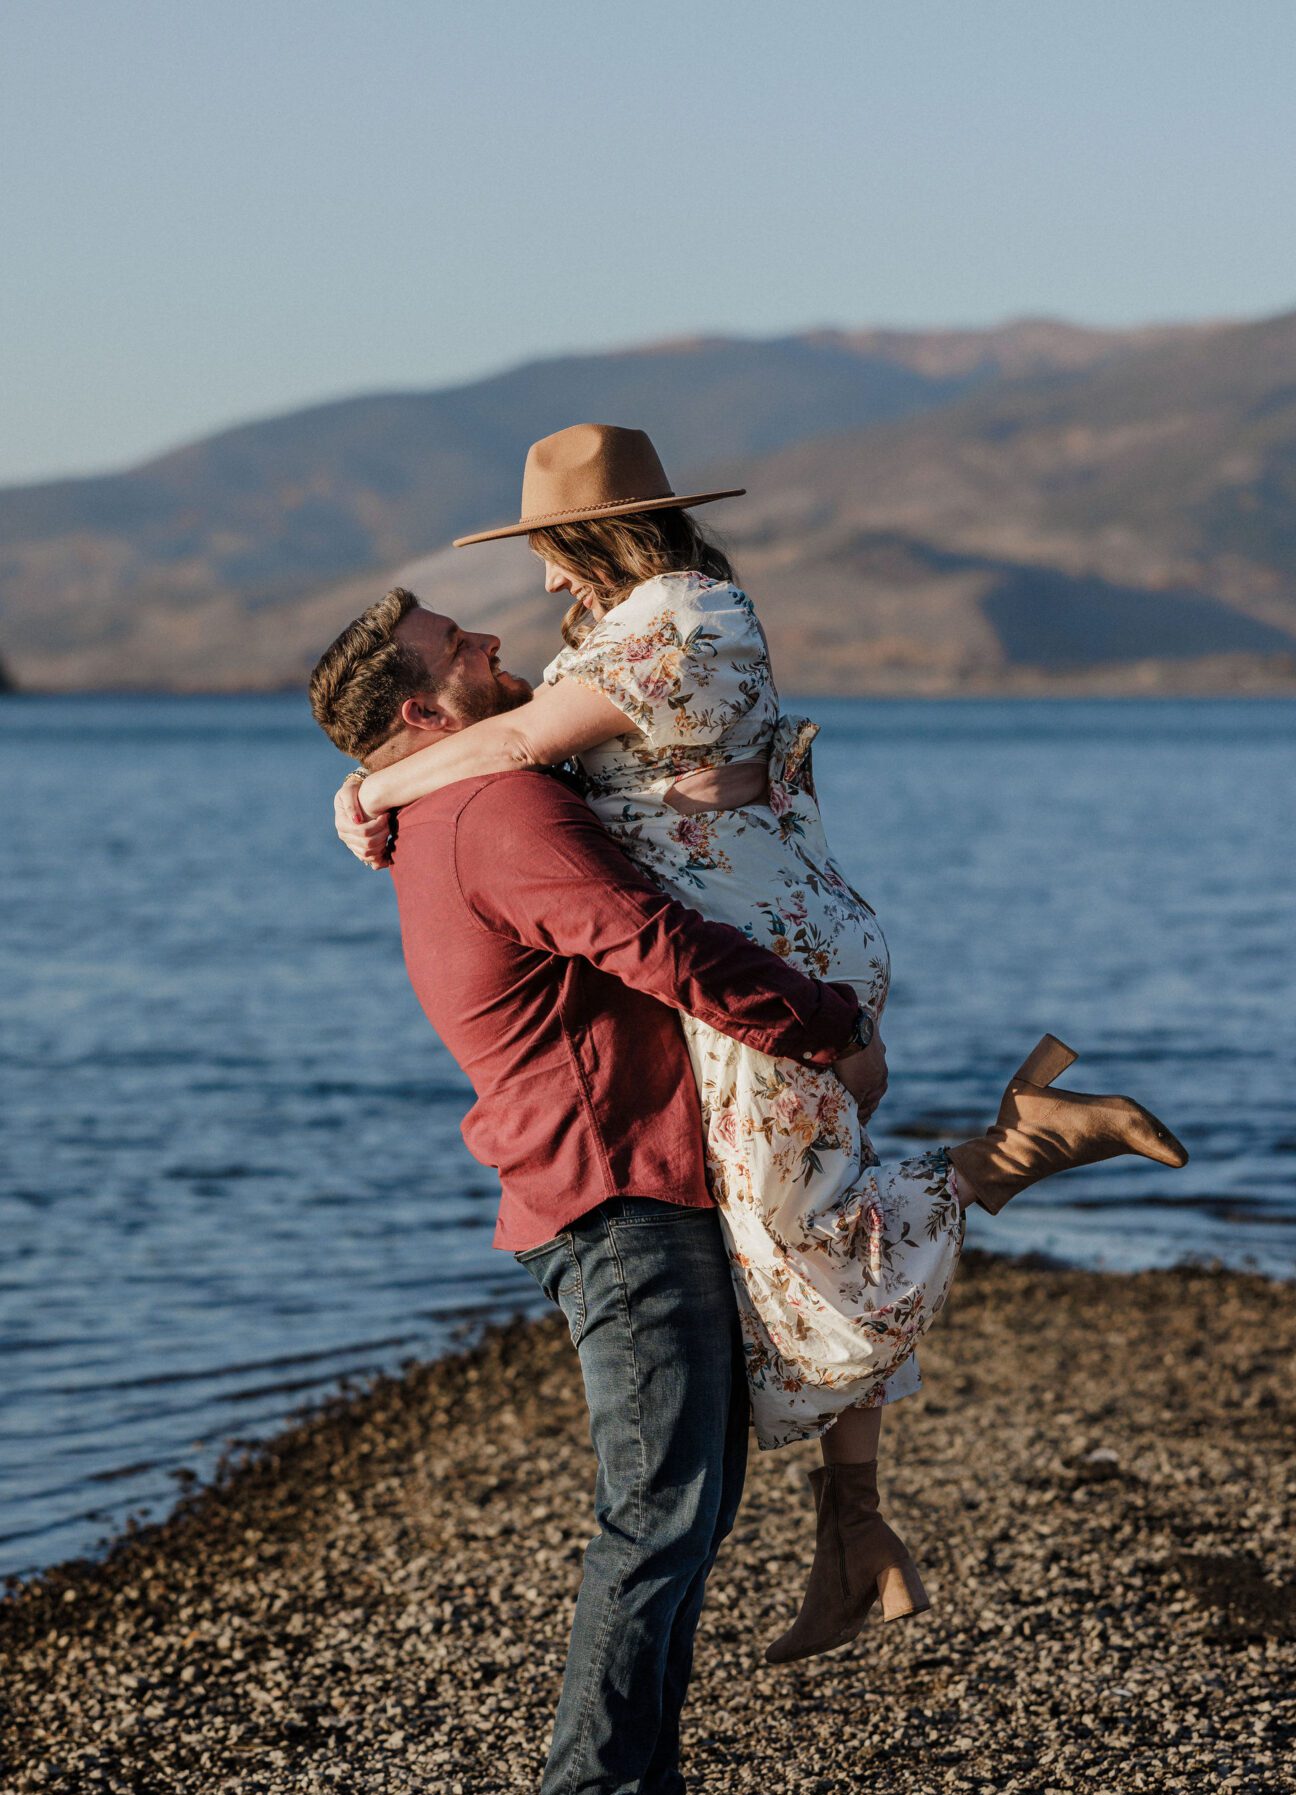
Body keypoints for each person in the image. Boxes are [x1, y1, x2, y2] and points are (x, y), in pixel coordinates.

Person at [332, 424, 1187, 1670]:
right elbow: (533, 751)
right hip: (767, 945)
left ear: (595, 535)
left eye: (551, 554)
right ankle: (854, 1531)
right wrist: (376, 776)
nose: (542, 589)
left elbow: (514, 747)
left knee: (804, 1240)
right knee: (786, 1237)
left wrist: (369, 788)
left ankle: (1017, 1146)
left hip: (767, 964)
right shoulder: (618, 631)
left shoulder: (682, 618)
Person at [308, 593, 888, 1795]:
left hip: (631, 1179)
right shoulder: (495, 812)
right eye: (460, 650)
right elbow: (655, 943)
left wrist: (372, 785)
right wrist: (819, 1016)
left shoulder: (462, 791)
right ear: (416, 707)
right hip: (613, 1192)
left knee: (690, 1506)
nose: (493, 649)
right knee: (658, 1513)